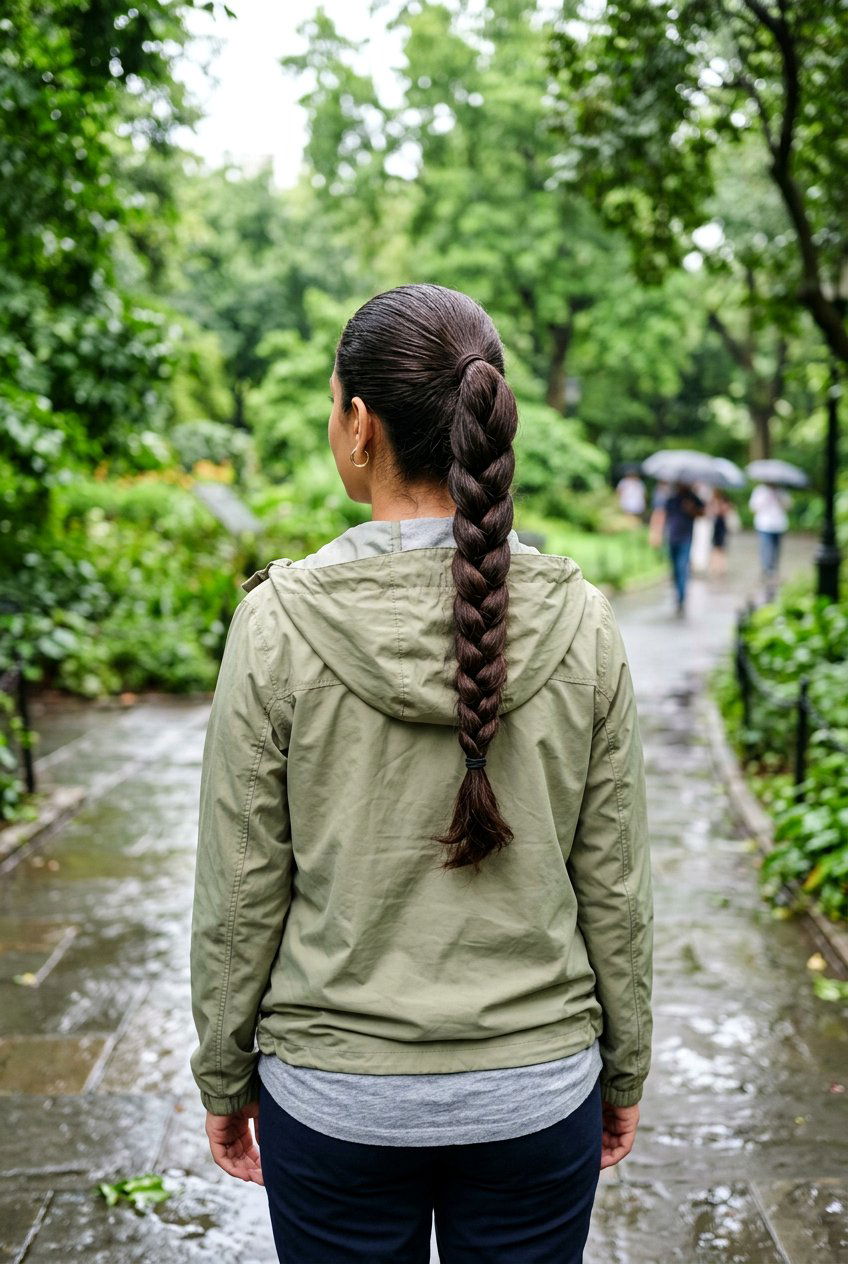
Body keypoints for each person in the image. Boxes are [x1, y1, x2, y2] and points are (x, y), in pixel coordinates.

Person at [189, 284, 653, 1264]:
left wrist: (224, 1078)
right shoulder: (580, 623)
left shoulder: (278, 626)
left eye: (331, 402)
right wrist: (623, 1070)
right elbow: (612, 884)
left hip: (334, 1097)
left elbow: (240, 892)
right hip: (535, 1093)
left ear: (358, 425)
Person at [663, 481, 705, 615]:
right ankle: (677, 593)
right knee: (675, 568)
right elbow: (665, 515)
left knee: (682, 567)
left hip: (686, 538)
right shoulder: (672, 498)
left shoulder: (693, 498)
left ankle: (681, 597)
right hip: (672, 537)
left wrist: (691, 509)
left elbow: (702, 513)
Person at [749, 481, 790, 592]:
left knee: (776, 549)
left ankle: (774, 570)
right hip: (764, 524)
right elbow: (753, 507)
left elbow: (788, 505)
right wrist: (765, 500)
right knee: (766, 548)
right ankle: (766, 570)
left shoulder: (781, 491)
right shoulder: (760, 490)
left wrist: (779, 499)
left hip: (778, 524)